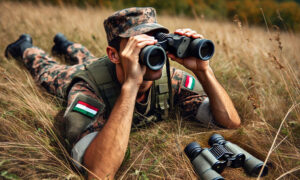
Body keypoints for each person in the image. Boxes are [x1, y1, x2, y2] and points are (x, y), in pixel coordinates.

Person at [5, 7, 240, 179]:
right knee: (46, 69)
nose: (152, 53)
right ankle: (24, 45)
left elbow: (230, 122)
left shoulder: (171, 78)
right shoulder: (86, 87)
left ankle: (65, 44)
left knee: (84, 54)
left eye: (155, 42)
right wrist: (131, 85)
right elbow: (99, 173)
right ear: (115, 54)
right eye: (139, 46)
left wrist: (204, 70)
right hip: (86, 73)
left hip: (110, 66)